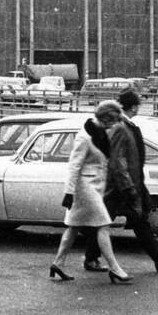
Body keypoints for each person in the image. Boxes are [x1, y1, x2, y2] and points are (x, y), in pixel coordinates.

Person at [84, 89, 158, 275]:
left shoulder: (125, 125)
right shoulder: (121, 127)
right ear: (134, 107)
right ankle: (91, 258)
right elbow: (118, 159)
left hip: (128, 183)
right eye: (138, 104)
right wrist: (128, 187)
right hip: (121, 186)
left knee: (137, 221)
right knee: (106, 222)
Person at [49, 101, 132, 284]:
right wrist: (69, 192)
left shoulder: (99, 133)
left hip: (93, 186)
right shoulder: (84, 137)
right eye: (111, 122)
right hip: (84, 188)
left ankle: (58, 263)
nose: (112, 126)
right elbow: (74, 165)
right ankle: (115, 269)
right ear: (104, 118)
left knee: (74, 227)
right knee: (103, 225)